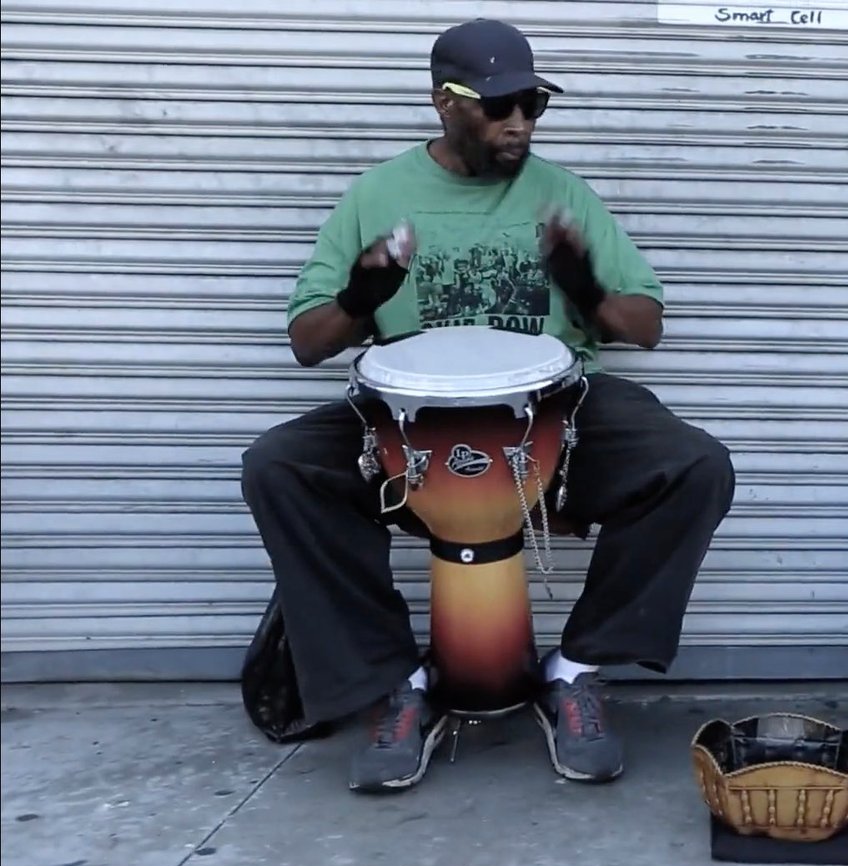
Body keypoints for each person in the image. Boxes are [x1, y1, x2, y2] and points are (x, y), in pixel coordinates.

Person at [240, 18, 735, 794]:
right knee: (278, 466)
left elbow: (646, 325)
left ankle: (576, 669)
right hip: (407, 427)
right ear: (445, 102)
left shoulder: (561, 193)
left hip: (556, 415)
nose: (520, 124)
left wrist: (587, 290)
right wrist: (358, 299)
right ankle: (396, 682)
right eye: (500, 106)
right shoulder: (378, 195)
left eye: (532, 104)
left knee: (695, 466)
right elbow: (308, 341)